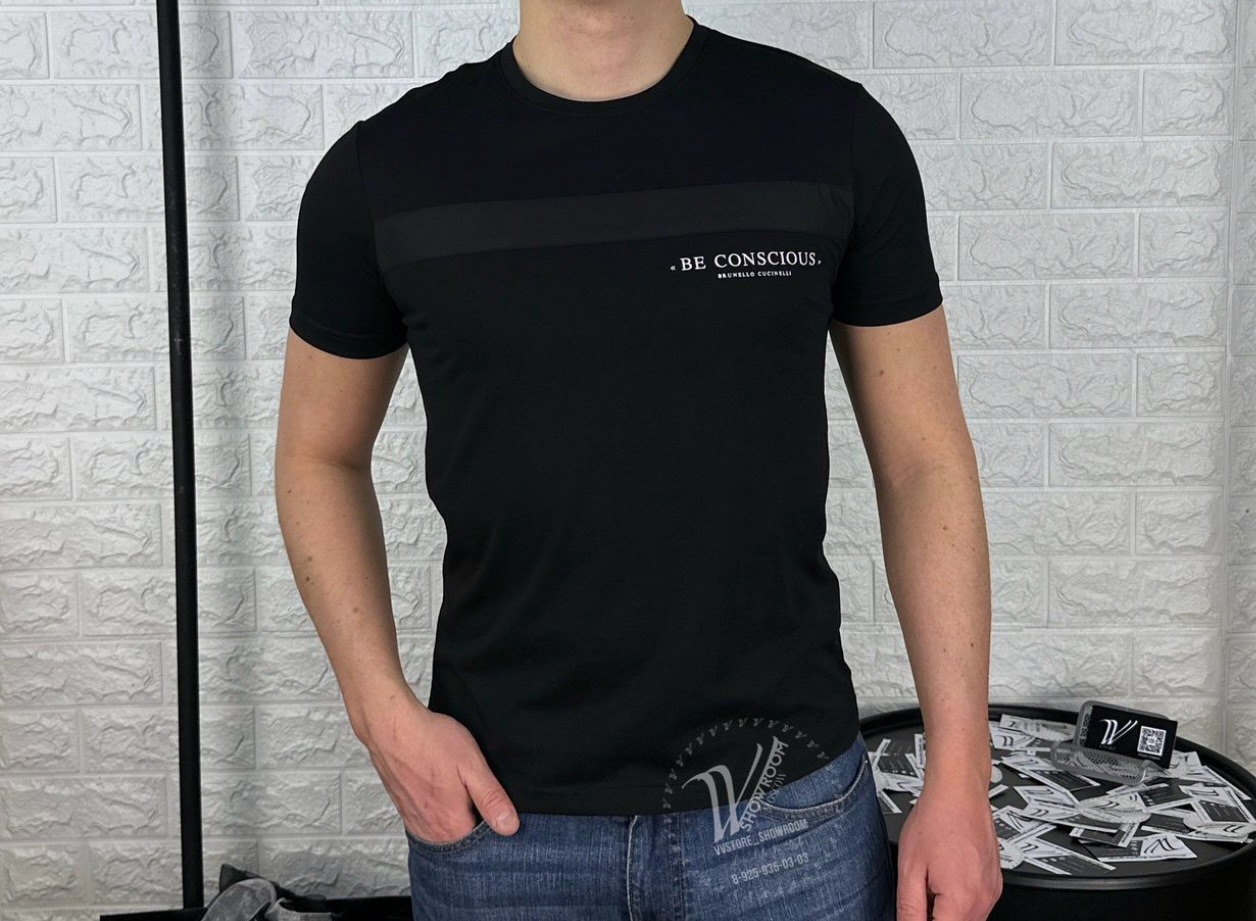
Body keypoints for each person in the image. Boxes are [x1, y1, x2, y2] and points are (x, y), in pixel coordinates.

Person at [275, 1, 1002, 919]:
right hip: (502, 826)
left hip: (787, 819)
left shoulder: (832, 136)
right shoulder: (384, 172)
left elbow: (924, 464)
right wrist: (379, 712)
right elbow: (318, 454)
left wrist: (960, 776)